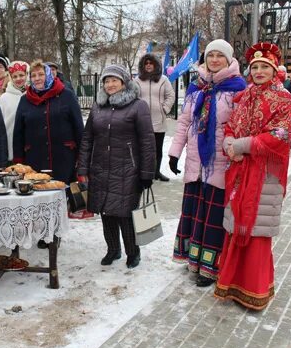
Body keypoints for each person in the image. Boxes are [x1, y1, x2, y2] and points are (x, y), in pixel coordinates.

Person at [214, 42, 291, 310]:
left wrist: (242, 145)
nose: (259, 71)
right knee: (235, 225)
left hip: (265, 175)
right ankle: (231, 284)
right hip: (239, 171)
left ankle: (255, 290)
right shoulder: (244, 96)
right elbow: (230, 127)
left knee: (257, 230)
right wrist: (228, 144)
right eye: (255, 67)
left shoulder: (285, 99)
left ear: (275, 70)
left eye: (265, 67)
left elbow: (280, 136)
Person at [168, 39, 247, 287]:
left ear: (229, 60)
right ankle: (194, 259)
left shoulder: (238, 88)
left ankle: (210, 267)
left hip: (221, 162)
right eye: (210, 55)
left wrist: (235, 153)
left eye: (219, 56)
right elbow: (184, 123)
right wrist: (174, 152)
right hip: (195, 162)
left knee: (213, 216)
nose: (214, 60)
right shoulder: (196, 87)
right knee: (194, 211)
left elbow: (240, 126)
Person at [78, 65, 156, 268]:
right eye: (106, 81)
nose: (110, 84)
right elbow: (87, 139)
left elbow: (147, 141)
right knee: (106, 211)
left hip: (128, 170)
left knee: (125, 213)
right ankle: (113, 249)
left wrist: (147, 173)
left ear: (124, 82)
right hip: (101, 168)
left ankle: (133, 252)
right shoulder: (97, 106)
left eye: (114, 80)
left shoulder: (138, 106)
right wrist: (83, 168)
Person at [13, 59, 84, 184]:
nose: (37, 78)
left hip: (63, 158)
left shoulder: (66, 95)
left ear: (48, 74)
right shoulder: (25, 99)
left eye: (41, 74)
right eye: (33, 75)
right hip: (34, 159)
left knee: (63, 195)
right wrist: (18, 160)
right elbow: (18, 132)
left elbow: (78, 127)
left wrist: (81, 158)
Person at [136, 53, 175, 182]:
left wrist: (164, 109)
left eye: (150, 63)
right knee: (142, 148)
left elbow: (170, 96)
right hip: (141, 121)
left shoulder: (164, 80)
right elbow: (132, 96)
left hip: (159, 120)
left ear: (156, 65)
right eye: (146, 63)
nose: (148, 65)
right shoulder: (137, 80)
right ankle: (142, 172)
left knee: (157, 148)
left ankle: (156, 172)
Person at [0, 61, 29, 162]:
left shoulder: (32, 95)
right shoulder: (4, 98)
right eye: (14, 76)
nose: (18, 79)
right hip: (11, 143)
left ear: (27, 75)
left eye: (21, 75)